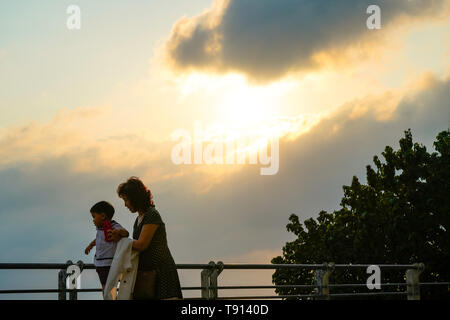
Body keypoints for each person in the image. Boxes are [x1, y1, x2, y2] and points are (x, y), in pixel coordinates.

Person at [114, 176, 183, 300]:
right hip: (149, 273)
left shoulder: (152, 215)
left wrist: (121, 241)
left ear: (135, 198)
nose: (125, 205)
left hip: (161, 274)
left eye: (126, 200)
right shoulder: (139, 219)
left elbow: (141, 245)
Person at [84, 201, 129, 297]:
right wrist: (90, 246)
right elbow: (98, 239)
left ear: (103, 216)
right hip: (100, 263)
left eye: (94, 217)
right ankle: (109, 297)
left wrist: (118, 232)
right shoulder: (100, 229)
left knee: (107, 287)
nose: (93, 220)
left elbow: (126, 233)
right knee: (105, 286)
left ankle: (108, 298)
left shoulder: (113, 226)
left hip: (108, 263)